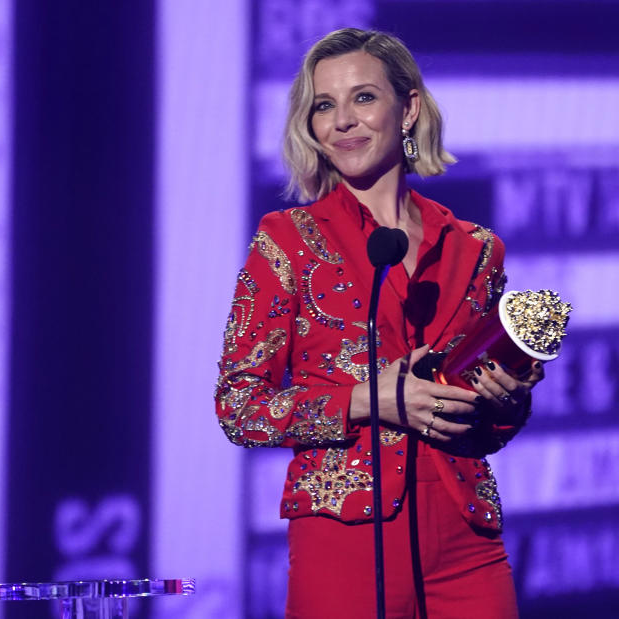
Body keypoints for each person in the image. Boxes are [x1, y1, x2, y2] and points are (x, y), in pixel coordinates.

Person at [216, 27, 544, 618]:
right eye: (324, 105)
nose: (342, 121)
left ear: (409, 109)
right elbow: (238, 407)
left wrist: (507, 404)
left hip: (466, 540)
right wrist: (367, 401)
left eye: (363, 97)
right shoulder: (288, 242)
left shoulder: (476, 249)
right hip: (346, 535)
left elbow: (485, 425)